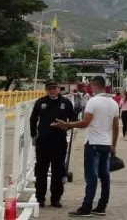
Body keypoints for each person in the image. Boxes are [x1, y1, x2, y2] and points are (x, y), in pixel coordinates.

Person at [51, 76, 119, 217]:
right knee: (105, 177)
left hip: (93, 144)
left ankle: (86, 208)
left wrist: (66, 124)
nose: (89, 87)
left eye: (90, 85)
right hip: (106, 144)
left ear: (95, 85)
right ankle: (101, 207)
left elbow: (84, 123)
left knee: (91, 177)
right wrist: (113, 145)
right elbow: (116, 127)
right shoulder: (113, 103)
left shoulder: (93, 102)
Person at [29, 79, 77, 208]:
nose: (52, 90)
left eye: (54, 88)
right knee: (41, 171)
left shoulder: (65, 102)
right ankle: (40, 198)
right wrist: (33, 135)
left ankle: (56, 198)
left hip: (59, 142)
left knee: (58, 171)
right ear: (46, 89)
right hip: (43, 142)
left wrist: (66, 127)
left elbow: (73, 119)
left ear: (58, 89)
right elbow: (33, 119)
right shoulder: (40, 102)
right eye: (49, 88)